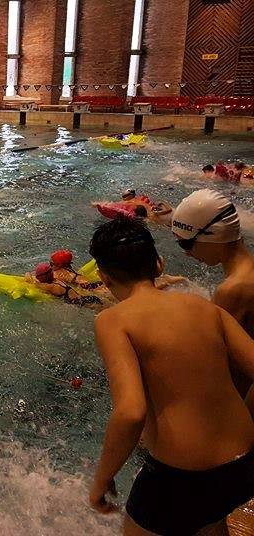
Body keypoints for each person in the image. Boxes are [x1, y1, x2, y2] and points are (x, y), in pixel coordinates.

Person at [87, 217, 254, 535]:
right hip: (243, 466)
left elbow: (131, 412)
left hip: (183, 477)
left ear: (104, 278)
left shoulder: (112, 320)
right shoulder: (205, 307)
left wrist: (102, 478)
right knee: (209, 521)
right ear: (159, 264)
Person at [172, 189, 254, 395]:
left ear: (213, 235)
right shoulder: (247, 273)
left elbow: (209, 355)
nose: (186, 253)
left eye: (186, 243)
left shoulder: (233, 289)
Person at [26, 262, 107, 308]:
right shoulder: (55, 280)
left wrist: (27, 273)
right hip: (88, 299)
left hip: (85, 302)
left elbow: (32, 282)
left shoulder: (51, 286)